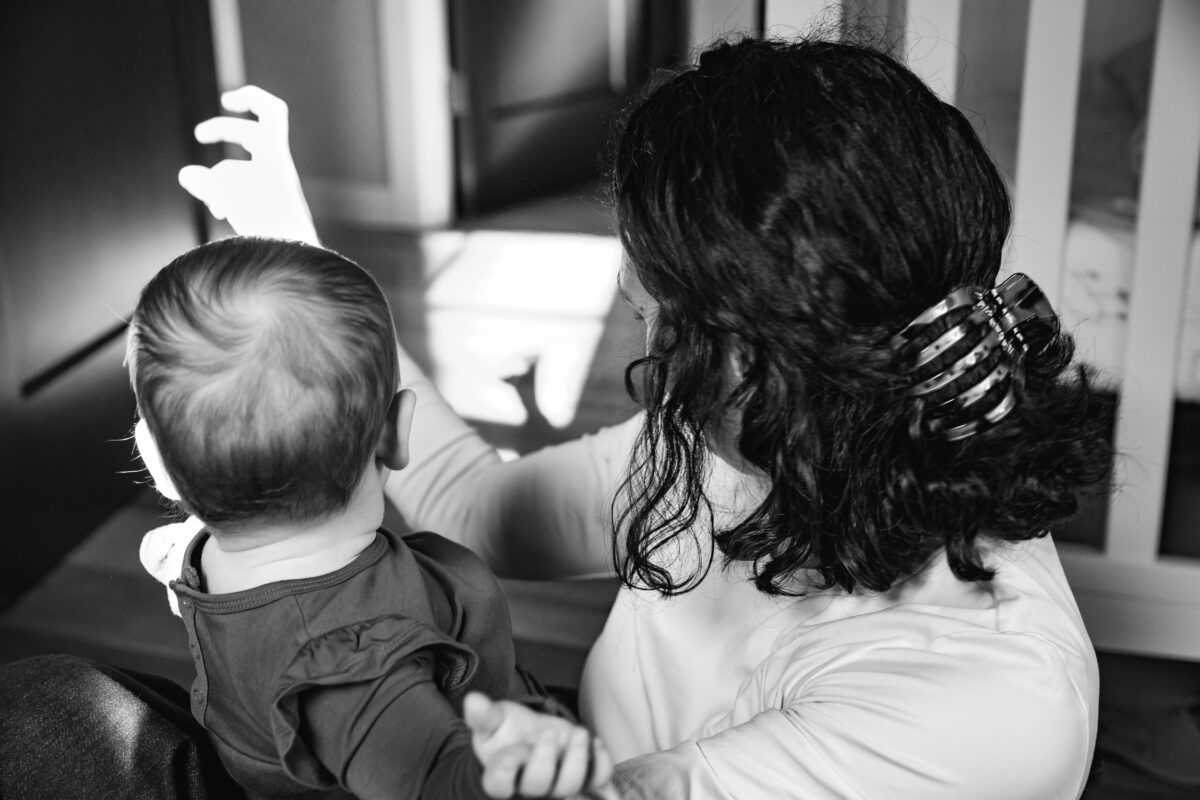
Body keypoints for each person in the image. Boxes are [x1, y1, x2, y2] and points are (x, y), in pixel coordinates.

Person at [177, 35, 1114, 799]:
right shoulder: (739, 448)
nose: (634, 307)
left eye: (651, 305)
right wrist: (300, 281)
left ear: (754, 357)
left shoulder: (982, 709)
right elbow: (473, 508)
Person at [126, 236, 614, 799]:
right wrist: (512, 774)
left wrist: (177, 560)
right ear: (396, 432)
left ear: (157, 464)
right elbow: (433, 782)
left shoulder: (220, 555)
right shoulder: (348, 668)